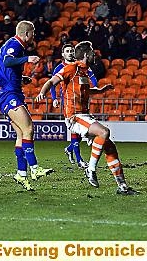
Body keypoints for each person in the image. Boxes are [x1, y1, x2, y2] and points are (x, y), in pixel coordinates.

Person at [35, 41, 137, 195]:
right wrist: (43, 92)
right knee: (104, 132)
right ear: (84, 55)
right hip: (74, 116)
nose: (94, 55)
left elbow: (86, 91)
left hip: (85, 115)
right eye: (91, 52)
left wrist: (101, 90)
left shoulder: (84, 71)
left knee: (110, 148)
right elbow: (51, 81)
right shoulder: (71, 68)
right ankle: (90, 169)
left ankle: (122, 187)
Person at [0, 21, 53, 191]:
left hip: (11, 90)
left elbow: (4, 69)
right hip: (8, 94)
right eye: (33, 33)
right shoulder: (15, 44)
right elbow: (6, 62)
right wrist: (28, 58)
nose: (34, 36)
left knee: (21, 134)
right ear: (26, 34)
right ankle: (35, 169)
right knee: (28, 128)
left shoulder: (10, 44)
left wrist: (20, 79)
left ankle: (21, 173)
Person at [50, 43, 98, 168]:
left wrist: (94, 87)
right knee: (75, 130)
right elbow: (52, 84)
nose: (70, 52)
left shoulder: (81, 66)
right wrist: (54, 98)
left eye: (72, 50)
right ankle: (79, 159)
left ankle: (69, 149)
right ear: (63, 54)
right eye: (67, 51)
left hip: (81, 102)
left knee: (80, 133)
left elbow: (93, 77)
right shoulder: (60, 67)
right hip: (68, 102)